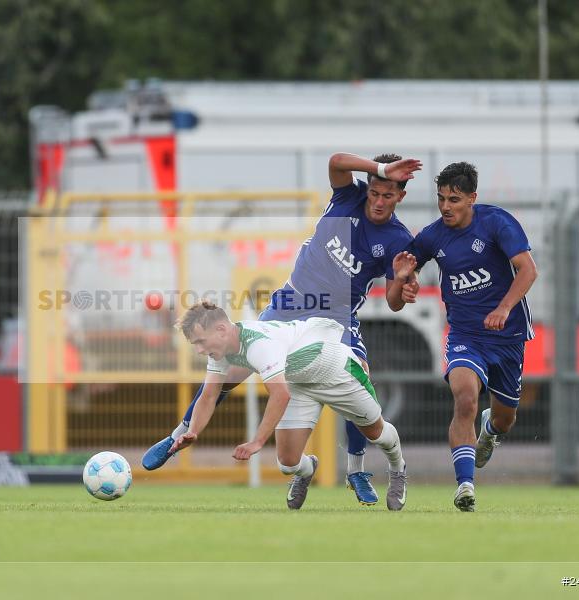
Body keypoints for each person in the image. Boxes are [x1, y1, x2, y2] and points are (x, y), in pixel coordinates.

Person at [142, 152, 421, 507]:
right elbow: (336, 160)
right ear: (368, 187)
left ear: (401, 197)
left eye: (388, 195)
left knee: (358, 380)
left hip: (337, 318)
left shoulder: (397, 239)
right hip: (291, 303)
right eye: (376, 192)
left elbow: (395, 302)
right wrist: (381, 170)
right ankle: (178, 435)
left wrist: (400, 283)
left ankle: (356, 469)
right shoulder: (348, 197)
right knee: (229, 370)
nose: (379, 202)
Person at [388, 162, 537, 512]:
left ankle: (490, 431)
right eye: (441, 199)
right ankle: (465, 485)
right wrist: (401, 283)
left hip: (508, 335)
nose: (445, 207)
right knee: (465, 396)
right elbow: (395, 301)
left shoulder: (496, 222)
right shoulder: (432, 237)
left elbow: (529, 270)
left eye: (454, 199)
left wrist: (503, 308)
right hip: (465, 335)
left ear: (472, 198)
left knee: (504, 419)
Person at [171, 301, 408, 511]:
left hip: (337, 372)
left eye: (201, 342)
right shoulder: (219, 353)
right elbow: (209, 396)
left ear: (221, 329)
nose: (199, 350)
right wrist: (192, 432)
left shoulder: (258, 344)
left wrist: (257, 441)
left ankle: (397, 468)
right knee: (287, 463)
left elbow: (279, 395)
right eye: (195, 344)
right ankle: (307, 470)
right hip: (299, 384)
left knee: (377, 434)